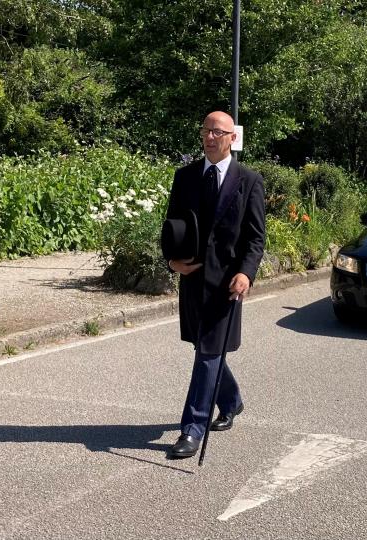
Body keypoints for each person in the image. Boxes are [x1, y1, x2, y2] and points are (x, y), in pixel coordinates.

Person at [161, 111, 266, 460]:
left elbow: (255, 239)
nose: (209, 137)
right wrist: (171, 260)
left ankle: (192, 428)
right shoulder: (185, 176)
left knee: (208, 352)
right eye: (205, 130)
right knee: (205, 349)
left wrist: (246, 273)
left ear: (231, 138)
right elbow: (172, 226)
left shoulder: (248, 181)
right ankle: (232, 400)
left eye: (216, 132)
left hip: (226, 285)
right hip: (193, 281)